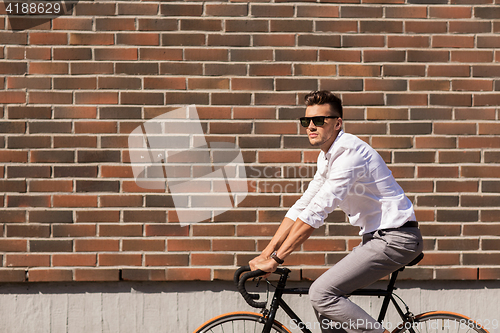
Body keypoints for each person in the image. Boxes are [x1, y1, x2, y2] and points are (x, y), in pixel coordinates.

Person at [249, 90, 423, 333]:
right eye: (306, 121)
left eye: (319, 121)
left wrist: (277, 259)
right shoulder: (327, 157)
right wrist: (266, 253)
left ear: (337, 123)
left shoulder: (349, 153)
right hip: (376, 238)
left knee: (321, 293)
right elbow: (304, 205)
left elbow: (317, 211)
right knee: (324, 303)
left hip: (395, 238)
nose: (311, 126)